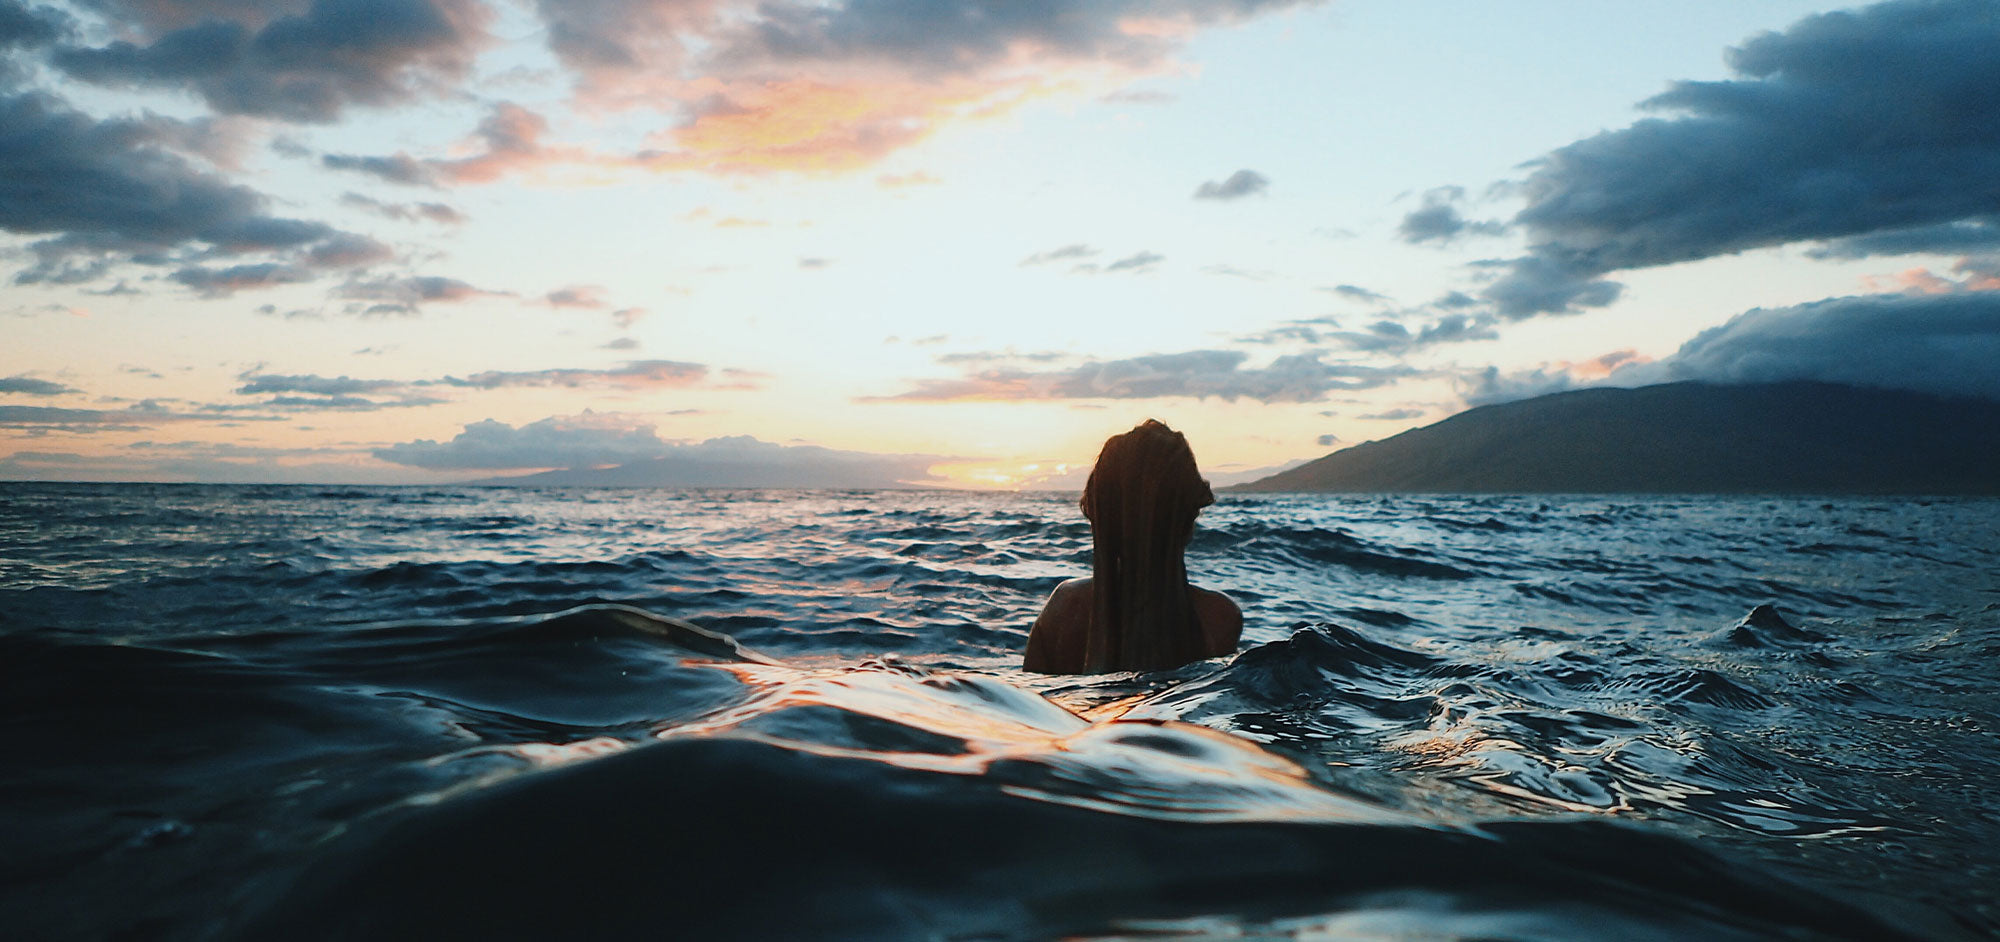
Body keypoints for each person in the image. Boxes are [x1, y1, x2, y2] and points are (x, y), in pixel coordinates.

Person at [1024, 420, 1242, 673]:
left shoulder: (1063, 609)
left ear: (1097, 512)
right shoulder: (1218, 618)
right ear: (1189, 515)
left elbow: (1021, 708)